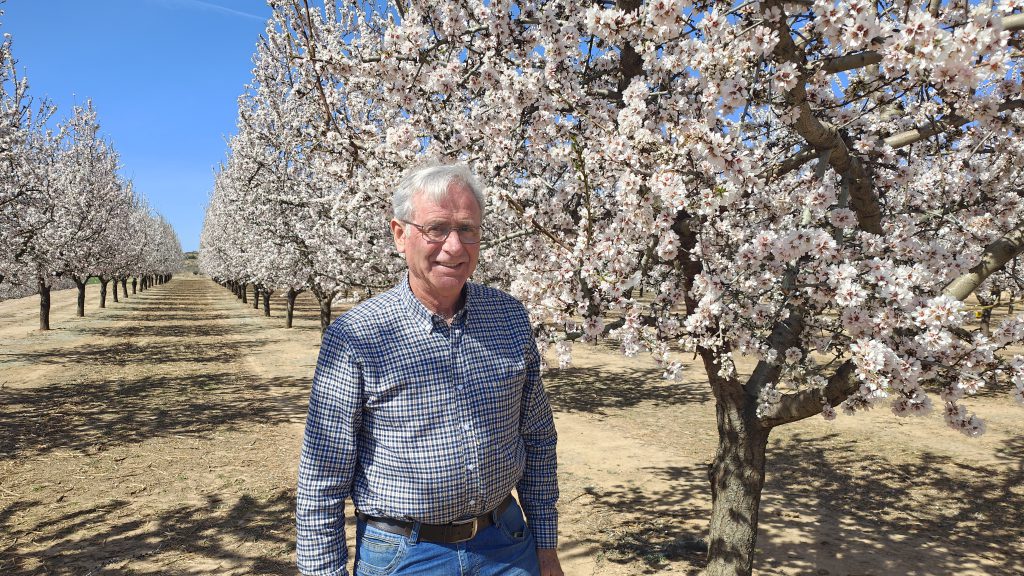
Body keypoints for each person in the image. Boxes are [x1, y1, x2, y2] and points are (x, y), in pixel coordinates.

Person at [296, 163, 564, 576]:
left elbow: (538, 437)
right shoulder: (356, 336)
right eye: (436, 228)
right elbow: (322, 477)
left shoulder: (510, 318)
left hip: (507, 546)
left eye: (467, 229)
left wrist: (545, 548)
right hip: (406, 555)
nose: (454, 247)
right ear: (400, 234)